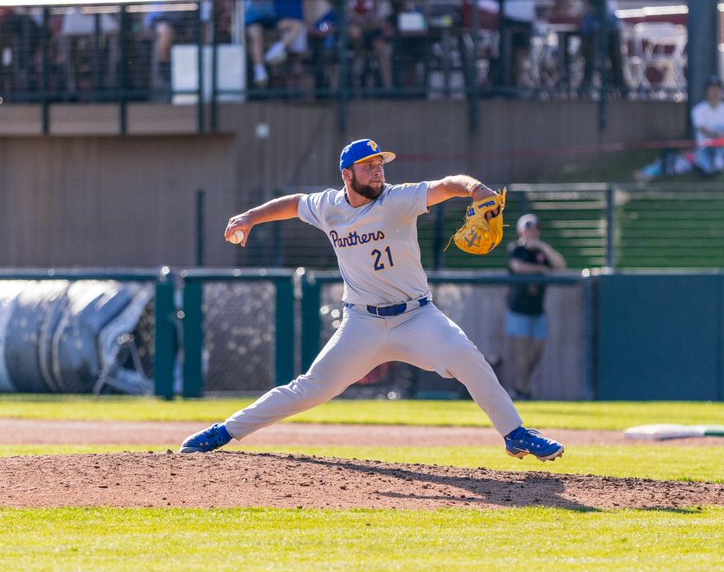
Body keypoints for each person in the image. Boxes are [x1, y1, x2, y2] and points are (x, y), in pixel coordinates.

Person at [178, 138, 565, 462]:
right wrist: (248, 217)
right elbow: (294, 203)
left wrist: (475, 188)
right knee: (310, 388)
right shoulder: (329, 206)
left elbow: (448, 184)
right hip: (361, 323)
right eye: (368, 166)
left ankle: (515, 433)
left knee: (467, 357)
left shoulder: (398, 200)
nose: (378, 170)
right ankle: (225, 432)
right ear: (347, 175)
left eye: (380, 164)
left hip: (416, 317)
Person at [506, 213, 566, 401]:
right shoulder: (516, 248)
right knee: (522, 352)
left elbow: (561, 266)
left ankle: (521, 387)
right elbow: (517, 267)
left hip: (538, 309)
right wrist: (540, 269)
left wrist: (544, 248)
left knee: (537, 350)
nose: (533, 234)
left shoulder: (542, 251)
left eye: (536, 230)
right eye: (529, 230)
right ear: (521, 231)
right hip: (519, 309)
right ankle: (521, 390)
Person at [580, 0, 626, 97]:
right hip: (594, 22)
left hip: (609, 21)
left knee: (614, 49)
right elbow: (585, 4)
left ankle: (620, 85)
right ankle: (587, 83)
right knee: (589, 45)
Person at [147, 0, 198, 82]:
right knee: (166, 32)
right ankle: (163, 66)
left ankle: (192, 66)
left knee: (196, 31)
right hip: (160, 21)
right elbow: (165, 5)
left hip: (181, 22)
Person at [245, 0, 282, 87]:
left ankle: (279, 48)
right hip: (253, 20)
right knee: (256, 35)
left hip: (270, 20)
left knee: (294, 26)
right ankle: (259, 71)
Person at [690, 75, 724, 176]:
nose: (715, 92)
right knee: (707, 168)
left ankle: (720, 163)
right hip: (705, 148)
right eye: (712, 88)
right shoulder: (698, 110)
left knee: (721, 158)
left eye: (718, 89)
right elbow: (703, 129)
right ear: (707, 91)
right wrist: (717, 135)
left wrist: (722, 137)